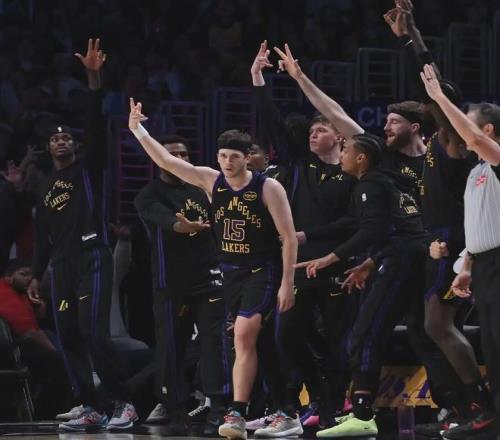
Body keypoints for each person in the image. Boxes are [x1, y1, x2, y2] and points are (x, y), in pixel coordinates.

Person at [128, 101, 298, 440]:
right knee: (256, 344)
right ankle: (284, 410)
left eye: (234, 156)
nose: (227, 162)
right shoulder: (211, 180)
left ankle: (236, 412)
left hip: (261, 270)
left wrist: (287, 283)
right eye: (222, 156)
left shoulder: (268, 187)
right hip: (230, 273)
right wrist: (137, 129)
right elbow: (166, 161)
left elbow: (289, 237)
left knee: (243, 334)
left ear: (247, 158)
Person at [384, 2, 486, 436]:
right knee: (434, 327)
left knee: (436, 325)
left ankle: (480, 404)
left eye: (437, 98)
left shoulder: (452, 139)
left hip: (454, 240)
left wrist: (412, 39)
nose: (430, 98)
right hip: (438, 240)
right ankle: (467, 406)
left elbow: (432, 81)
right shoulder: (434, 142)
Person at [27, 39, 138, 431]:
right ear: (48, 148)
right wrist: (36, 275)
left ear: (74, 146)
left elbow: (94, 123)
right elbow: (43, 236)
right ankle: (89, 405)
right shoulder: (44, 187)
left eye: (67, 138)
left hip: (93, 257)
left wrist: (93, 81)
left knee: (93, 331)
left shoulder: (88, 169)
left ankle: (123, 402)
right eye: (55, 139)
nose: (62, 141)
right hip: (62, 265)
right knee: (70, 335)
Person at [251, 41, 357, 435]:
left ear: (339, 137)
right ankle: (318, 394)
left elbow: (355, 222)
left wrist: (312, 234)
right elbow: (273, 124)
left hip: (338, 263)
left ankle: (331, 409)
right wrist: (258, 79)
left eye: (321, 129)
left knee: (339, 341)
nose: (313, 135)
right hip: (296, 266)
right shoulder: (300, 164)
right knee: (286, 335)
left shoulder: (354, 171)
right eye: (311, 130)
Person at [295, 133, 428, 438]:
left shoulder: (370, 184)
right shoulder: (387, 182)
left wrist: (330, 258)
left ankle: (363, 414)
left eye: (345, 151)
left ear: (361, 158)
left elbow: (373, 230)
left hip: (400, 261)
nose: (341, 156)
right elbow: (388, 227)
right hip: (407, 258)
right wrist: (369, 263)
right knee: (414, 333)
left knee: (365, 334)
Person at [421, 65, 500, 440]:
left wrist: (439, 98)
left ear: (488, 130)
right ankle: (493, 416)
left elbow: (476, 139)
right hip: (483, 265)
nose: (460, 126)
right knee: (491, 345)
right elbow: (477, 224)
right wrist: (465, 265)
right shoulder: (475, 172)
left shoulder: (496, 158)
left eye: (467, 120)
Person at [134, 134, 230, 435]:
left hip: (209, 277)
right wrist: (181, 226)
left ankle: (219, 407)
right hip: (171, 283)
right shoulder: (148, 195)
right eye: (173, 154)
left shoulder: (202, 189)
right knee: (171, 346)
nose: (180, 159)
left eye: (184, 154)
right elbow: (163, 218)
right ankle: (175, 407)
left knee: (213, 342)